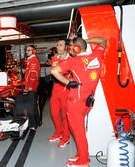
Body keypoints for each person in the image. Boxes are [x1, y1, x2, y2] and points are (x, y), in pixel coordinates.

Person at [51, 37, 107, 166]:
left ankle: (83, 162)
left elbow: (54, 71)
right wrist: (86, 40)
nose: (70, 50)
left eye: (72, 47)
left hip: (75, 103)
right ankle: (83, 154)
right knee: (77, 129)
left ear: (77, 48)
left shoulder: (74, 61)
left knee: (78, 132)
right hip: (88, 102)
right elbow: (103, 41)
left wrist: (68, 82)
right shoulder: (97, 55)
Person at [47, 39, 71, 149]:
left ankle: (66, 137)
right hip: (56, 88)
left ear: (66, 47)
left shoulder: (71, 59)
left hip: (66, 89)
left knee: (65, 115)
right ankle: (58, 132)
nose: (58, 46)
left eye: (61, 45)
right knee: (54, 113)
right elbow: (54, 72)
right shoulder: (54, 58)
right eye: (57, 45)